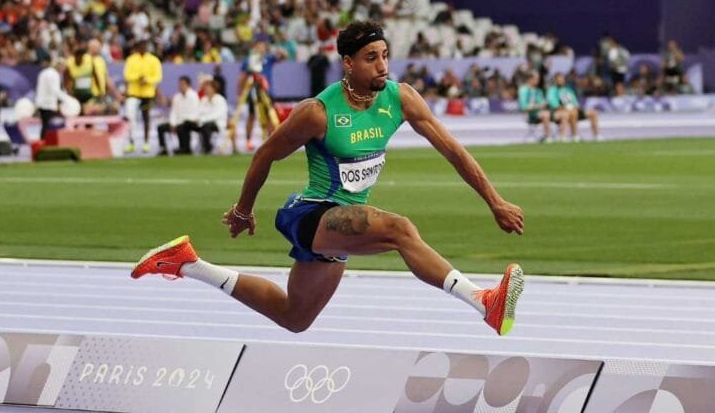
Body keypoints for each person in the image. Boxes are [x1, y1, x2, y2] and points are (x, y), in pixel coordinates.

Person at [132, 21, 525, 337]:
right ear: (348, 63)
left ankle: (187, 263)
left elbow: (453, 150)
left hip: (342, 225)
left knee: (294, 317)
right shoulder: (317, 112)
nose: (383, 66)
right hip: (311, 213)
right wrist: (243, 210)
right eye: (371, 58)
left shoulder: (400, 98)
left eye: (385, 55)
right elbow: (265, 154)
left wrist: (495, 201)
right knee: (400, 230)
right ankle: (484, 301)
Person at [238, 39, 284, 151]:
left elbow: (283, 56)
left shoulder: (268, 58)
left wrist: (279, 50)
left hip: (267, 91)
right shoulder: (249, 60)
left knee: (269, 116)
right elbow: (242, 77)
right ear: (254, 48)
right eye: (258, 46)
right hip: (253, 91)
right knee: (252, 115)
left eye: (262, 46)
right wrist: (240, 93)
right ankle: (248, 141)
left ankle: (271, 141)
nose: (260, 49)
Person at [123, 40, 163, 153]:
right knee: (130, 116)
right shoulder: (131, 59)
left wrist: (147, 80)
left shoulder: (153, 60)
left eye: (144, 46)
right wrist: (138, 78)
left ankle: (146, 142)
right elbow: (127, 75)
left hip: (147, 93)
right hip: (133, 93)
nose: (143, 48)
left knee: (146, 117)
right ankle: (131, 142)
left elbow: (158, 77)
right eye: (140, 46)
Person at [547, 72, 601, 141]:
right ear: (555, 80)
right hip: (560, 112)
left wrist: (575, 107)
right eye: (559, 79)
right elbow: (554, 104)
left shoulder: (569, 90)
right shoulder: (552, 90)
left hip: (573, 109)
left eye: (562, 78)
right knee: (572, 112)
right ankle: (574, 135)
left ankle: (597, 135)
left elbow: (575, 103)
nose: (561, 80)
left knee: (593, 113)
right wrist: (565, 108)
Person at [156, 75, 198, 155]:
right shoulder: (177, 97)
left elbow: (194, 113)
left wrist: (178, 122)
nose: (180, 86)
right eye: (179, 84)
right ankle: (163, 149)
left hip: (189, 122)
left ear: (188, 85)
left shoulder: (193, 96)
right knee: (160, 127)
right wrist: (173, 123)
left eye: (182, 84)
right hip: (178, 122)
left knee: (183, 125)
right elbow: (173, 112)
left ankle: (185, 148)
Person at [518, 71, 565, 142]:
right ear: (530, 79)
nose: (538, 81)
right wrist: (537, 106)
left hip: (542, 112)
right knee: (546, 114)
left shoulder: (538, 91)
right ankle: (547, 136)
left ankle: (562, 138)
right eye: (536, 79)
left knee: (563, 114)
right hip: (530, 115)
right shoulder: (523, 90)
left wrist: (547, 104)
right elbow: (524, 107)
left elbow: (542, 103)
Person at [34, 56, 69, 140]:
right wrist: (68, 99)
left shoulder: (44, 72)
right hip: (48, 104)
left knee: (45, 124)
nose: (64, 69)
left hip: (41, 103)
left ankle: (43, 141)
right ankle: (45, 142)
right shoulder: (54, 74)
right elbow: (56, 90)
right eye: (63, 67)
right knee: (48, 126)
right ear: (59, 65)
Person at [197, 79, 228, 154]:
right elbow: (199, 112)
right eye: (205, 88)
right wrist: (198, 119)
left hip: (217, 123)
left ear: (214, 89)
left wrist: (203, 119)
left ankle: (208, 149)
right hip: (203, 122)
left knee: (206, 126)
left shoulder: (220, 99)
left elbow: (217, 115)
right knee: (187, 126)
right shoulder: (204, 99)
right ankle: (185, 148)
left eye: (208, 88)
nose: (206, 90)